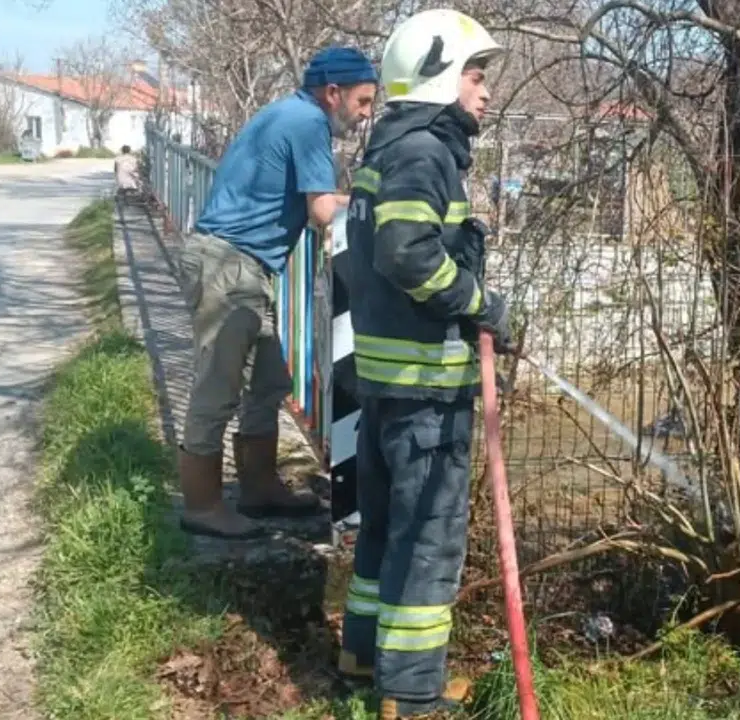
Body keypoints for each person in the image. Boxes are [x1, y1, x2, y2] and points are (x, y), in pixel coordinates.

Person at [337, 9, 513, 717]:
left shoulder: (391, 148)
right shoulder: (423, 155)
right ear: (440, 76)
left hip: (388, 385)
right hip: (424, 394)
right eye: (476, 75)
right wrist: (479, 303)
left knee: (384, 531)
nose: (486, 91)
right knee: (428, 544)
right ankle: (410, 696)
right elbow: (407, 251)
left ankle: (363, 656)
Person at [176, 46, 378, 539]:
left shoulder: (289, 112)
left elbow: (320, 200)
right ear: (334, 93)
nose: (366, 113)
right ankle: (201, 505)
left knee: (269, 381)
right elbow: (324, 211)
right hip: (229, 266)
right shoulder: (310, 124)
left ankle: (259, 489)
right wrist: (386, 210)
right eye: (365, 101)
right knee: (216, 388)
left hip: (240, 266)